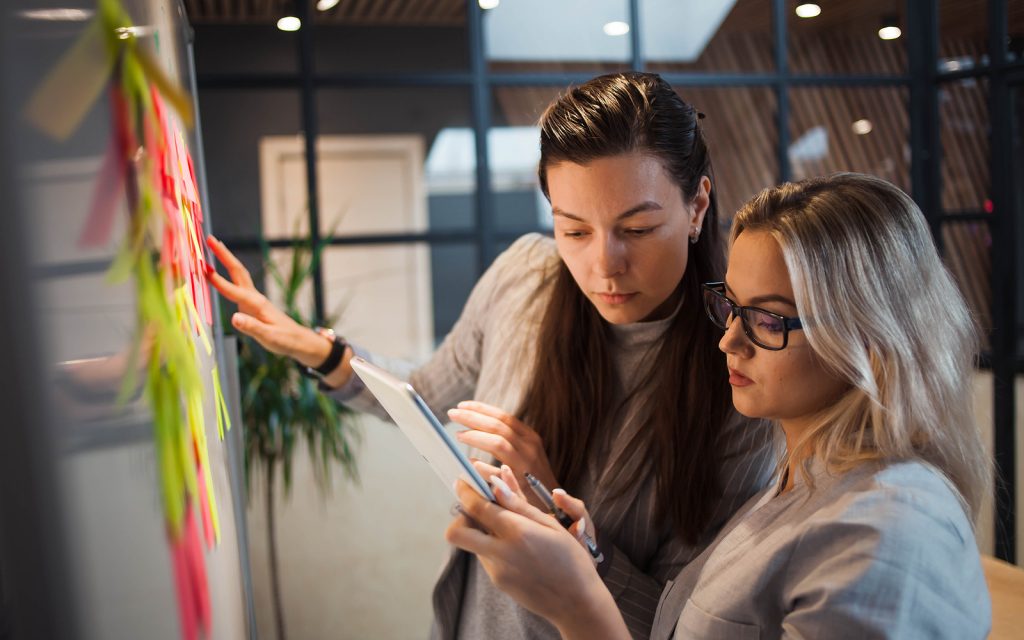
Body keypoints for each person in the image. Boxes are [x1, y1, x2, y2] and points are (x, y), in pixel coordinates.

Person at [205, 72, 778, 639]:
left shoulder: (741, 383)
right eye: (574, 231)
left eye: (639, 226)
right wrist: (321, 350)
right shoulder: (524, 277)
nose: (605, 265)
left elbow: (681, 626)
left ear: (698, 204)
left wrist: (559, 519)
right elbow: (430, 395)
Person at [446, 172, 993, 639]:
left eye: (769, 319)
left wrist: (577, 607)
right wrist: (591, 556)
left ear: (869, 342)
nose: (729, 341)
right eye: (731, 306)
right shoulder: (806, 478)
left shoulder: (888, 536)